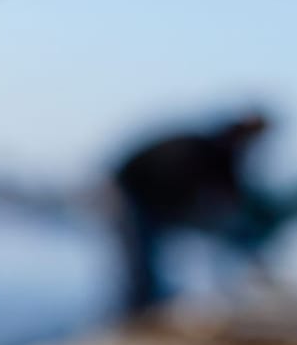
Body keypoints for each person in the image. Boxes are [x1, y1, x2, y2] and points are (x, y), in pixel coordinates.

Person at [108, 109, 277, 316]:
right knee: (141, 258)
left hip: (150, 196)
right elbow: (169, 184)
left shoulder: (221, 155)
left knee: (151, 257)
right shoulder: (201, 151)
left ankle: (148, 306)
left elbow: (232, 201)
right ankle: (137, 313)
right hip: (129, 194)